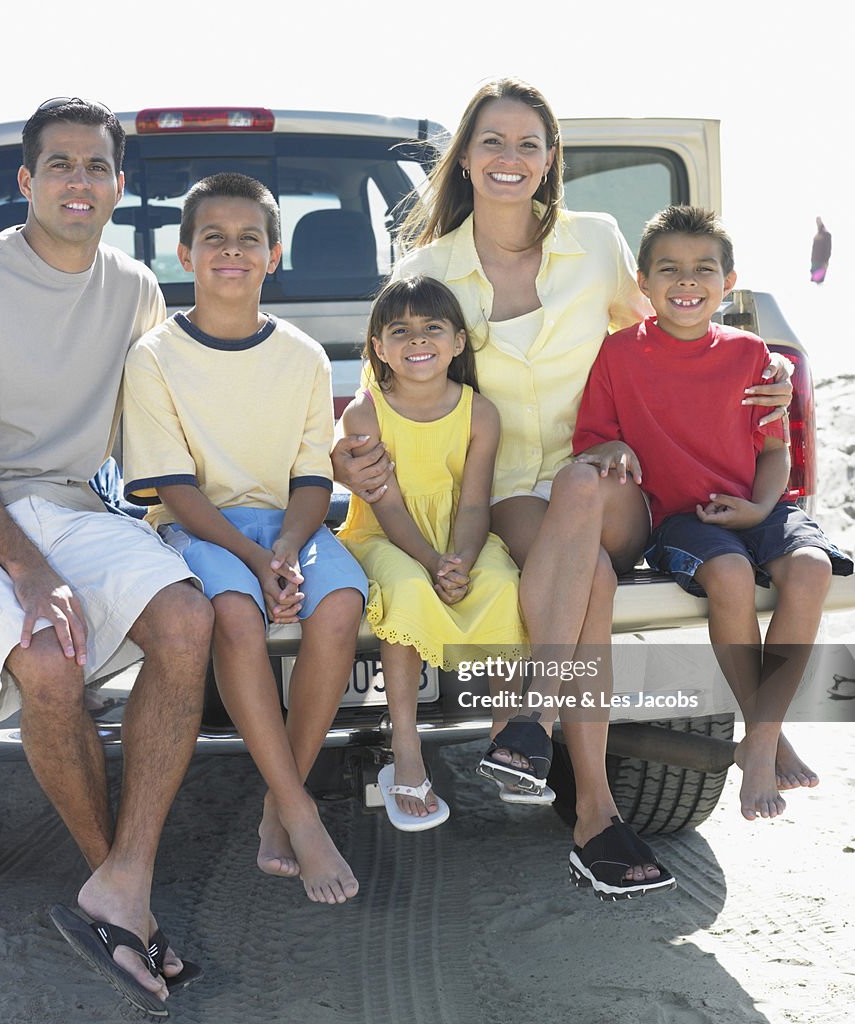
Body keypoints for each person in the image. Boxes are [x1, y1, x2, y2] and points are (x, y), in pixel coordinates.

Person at [333, 77, 793, 900]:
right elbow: (388, 377)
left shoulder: (599, 238)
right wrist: (344, 446)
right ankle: (594, 816)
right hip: (505, 482)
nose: (509, 158)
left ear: (550, 161)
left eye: (527, 144)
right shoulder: (427, 266)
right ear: (464, 159)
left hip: (618, 476)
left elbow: (670, 327)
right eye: (492, 142)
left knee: (583, 487)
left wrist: (766, 368)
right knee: (592, 579)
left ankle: (533, 719)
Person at [0, 97, 212, 1018]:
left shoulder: (134, 290)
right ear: (28, 182)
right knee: (48, 662)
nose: (80, 181)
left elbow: (170, 427)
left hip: (71, 508)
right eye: (60, 165)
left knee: (186, 620)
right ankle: (109, 877)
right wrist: (30, 570)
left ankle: (125, 883)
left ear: (117, 184)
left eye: (96, 166)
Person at [121, 172, 367, 904]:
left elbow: (311, 478)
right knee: (233, 613)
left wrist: (287, 550)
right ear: (184, 252)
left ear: (274, 254)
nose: (232, 251)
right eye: (214, 239)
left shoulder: (301, 355)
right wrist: (257, 560)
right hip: (199, 528)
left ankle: (274, 800)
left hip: (287, 529)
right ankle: (299, 809)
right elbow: (173, 490)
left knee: (342, 603)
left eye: (248, 239)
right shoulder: (155, 355)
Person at [574, 205, 853, 823]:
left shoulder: (753, 353)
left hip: (759, 503)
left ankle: (762, 731)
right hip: (685, 516)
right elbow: (594, 440)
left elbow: (776, 452)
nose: (686, 281)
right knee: (726, 577)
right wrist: (614, 449)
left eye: (704, 268)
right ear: (642, 283)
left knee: (810, 568)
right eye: (668, 269)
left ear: (729, 282)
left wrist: (758, 506)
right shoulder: (620, 355)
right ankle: (763, 739)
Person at [336, 276, 525, 831]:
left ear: (459, 342)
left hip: (456, 535)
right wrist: (430, 563)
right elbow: (387, 507)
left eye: (432, 328)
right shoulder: (365, 413)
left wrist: (461, 561)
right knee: (409, 593)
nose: (417, 340)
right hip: (384, 537)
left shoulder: (479, 412)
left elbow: (473, 503)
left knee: (502, 585)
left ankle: (506, 736)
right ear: (378, 347)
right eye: (400, 330)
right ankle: (407, 752)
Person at [810, 216, 831, 283]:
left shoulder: (826, 235)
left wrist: (825, 262)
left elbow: (828, 250)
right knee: (815, 280)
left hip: (820, 261)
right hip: (815, 261)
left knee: (818, 281)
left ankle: (818, 279)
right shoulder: (817, 236)